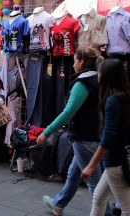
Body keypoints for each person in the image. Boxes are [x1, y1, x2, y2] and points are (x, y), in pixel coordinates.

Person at [36, 47, 111, 216]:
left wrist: (46, 132)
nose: (74, 64)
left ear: (81, 62)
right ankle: (58, 204)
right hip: (95, 136)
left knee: (95, 183)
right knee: (74, 174)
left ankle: (106, 214)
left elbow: (68, 113)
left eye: (75, 60)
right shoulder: (98, 79)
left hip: (84, 138)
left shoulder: (82, 83)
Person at [81, 59, 130, 215]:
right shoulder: (124, 96)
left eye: (100, 72)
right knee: (99, 198)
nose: (98, 75)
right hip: (121, 158)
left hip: (116, 161)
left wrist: (91, 165)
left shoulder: (112, 100)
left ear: (106, 75)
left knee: (127, 209)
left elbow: (109, 136)